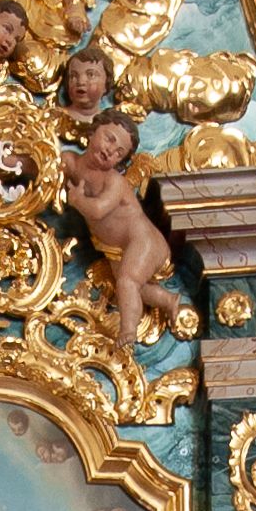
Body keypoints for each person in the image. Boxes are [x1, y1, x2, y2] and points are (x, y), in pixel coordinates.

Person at [66, 110, 177, 344]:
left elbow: (98, 210)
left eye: (119, 153)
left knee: (127, 282)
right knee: (133, 287)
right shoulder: (71, 162)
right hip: (118, 248)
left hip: (144, 240)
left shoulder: (113, 180)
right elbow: (46, 167)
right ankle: (168, 300)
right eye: (109, 139)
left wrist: (77, 200)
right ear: (93, 130)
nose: (110, 151)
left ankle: (127, 333)